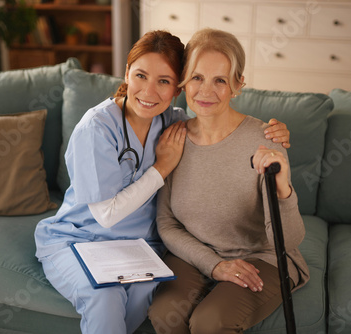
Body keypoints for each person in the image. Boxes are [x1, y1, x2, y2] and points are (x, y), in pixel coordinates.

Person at [34, 30, 291, 334]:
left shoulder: (173, 123)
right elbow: (106, 216)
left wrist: (277, 132)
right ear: (127, 72)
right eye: (141, 75)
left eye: (164, 81)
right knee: (104, 297)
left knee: (146, 300)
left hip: (140, 249)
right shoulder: (97, 127)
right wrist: (161, 167)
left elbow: (215, 124)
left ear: (177, 89)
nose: (149, 91)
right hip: (80, 239)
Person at [148, 28, 310, 334]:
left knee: (210, 322)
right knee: (164, 313)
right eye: (197, 77)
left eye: (220, 80)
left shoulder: (265, 142)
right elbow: (166, 223)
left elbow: (288, 242)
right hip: (195, 253)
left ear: (237, 85)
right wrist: (214, 265)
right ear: (183, 81)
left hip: (261, 258)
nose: (206, 90)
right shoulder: (174, 137)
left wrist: (283, 186)